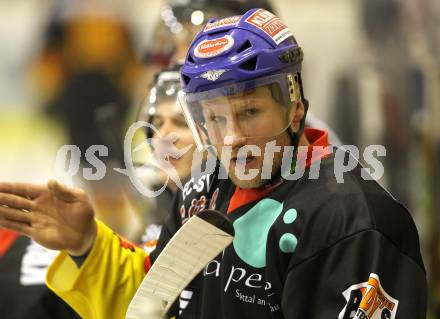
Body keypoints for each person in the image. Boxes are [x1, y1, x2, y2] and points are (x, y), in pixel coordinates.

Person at [0, 8, 427, 319]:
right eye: (216, 118)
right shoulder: (205, 191)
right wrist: (86, 245)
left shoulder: (356, 223)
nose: (233, 137)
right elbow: (153, 305)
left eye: (249, 112)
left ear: (295, 107)